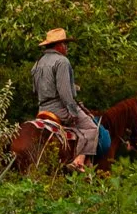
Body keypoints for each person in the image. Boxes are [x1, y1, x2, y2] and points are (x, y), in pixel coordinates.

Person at [31, 26, 100, 168]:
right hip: (59, 109)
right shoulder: (62, 61)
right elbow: (64, 94)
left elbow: (36, 89)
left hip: (42, 109)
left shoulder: (38, 63)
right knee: (92, 128)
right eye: (65, 44)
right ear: (58, 45)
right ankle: (79, 161)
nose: (67, 48)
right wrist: (73, 112)